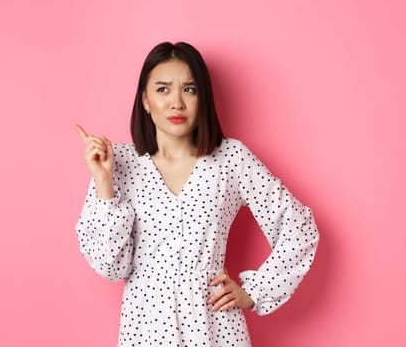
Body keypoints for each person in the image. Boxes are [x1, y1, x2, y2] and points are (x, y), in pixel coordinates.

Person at [74, 42, 319, 346]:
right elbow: (110, 267)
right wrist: (104, 183)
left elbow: (299, 229)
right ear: (145, 100)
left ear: (203, 98)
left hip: (216, 327)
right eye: (163, 90)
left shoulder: (232, 159)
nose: (177, 102)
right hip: (146, 329)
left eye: (189, 89)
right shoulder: (118, 164)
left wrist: (256, 291)